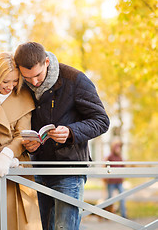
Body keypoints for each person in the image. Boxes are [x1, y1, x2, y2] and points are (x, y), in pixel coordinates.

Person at [14, 42, 110, 230]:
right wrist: (32, 144)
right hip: (38, 168)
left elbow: (102, 121)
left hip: (69, 170)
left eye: (37, 75)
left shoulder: (75, 79)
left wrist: (71, 131)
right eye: (27, 77)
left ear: (47, 62)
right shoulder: (21, 84)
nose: (34, 82)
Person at [0, 52, 42, 229]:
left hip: (15, 164)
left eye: (15, 81)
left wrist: (7, 154)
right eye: (5, 81)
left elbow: (22, 134)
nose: (10, 86)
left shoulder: (24, 96)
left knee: (21, 222)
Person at [105, 138, 126, 218]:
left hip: (119, 181)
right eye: (116, 147)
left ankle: (124, 215)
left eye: (119, 147)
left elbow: (123, 167)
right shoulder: (110, 157)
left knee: (122, 198)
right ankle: (107, 216)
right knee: (109, 199)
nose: (118, 149)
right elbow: (105, 166)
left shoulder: (120, 157)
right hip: (111, 181)